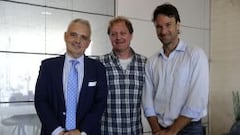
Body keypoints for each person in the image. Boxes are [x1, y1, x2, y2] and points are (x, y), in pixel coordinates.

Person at [142, 3, 209, 135]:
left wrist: (172, 132)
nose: (163, 31)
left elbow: (196, 101)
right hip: (160, 128)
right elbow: (147, 101)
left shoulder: (195, 55)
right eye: (159, 27)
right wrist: (156, 131)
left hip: (190, 129)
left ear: (178, 25)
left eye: (168, 25)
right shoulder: (151, 62)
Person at [34, 18, 108, 135]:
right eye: (73, 35)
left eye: (83, 37)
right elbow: (41, 101)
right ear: (65, 36)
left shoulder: (98, 69)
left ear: (88, 43)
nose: (78, 40)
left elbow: (100, 103)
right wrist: (58, 131)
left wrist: (81, 132)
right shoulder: (48, 67)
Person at [99, 16, 147, 135]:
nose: (118, 37)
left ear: (131, 35)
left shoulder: (145, 63)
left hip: (134, 131)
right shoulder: (99, 64)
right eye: (113, 34)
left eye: (123, 33)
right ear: (109, 37)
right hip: (105, 131)